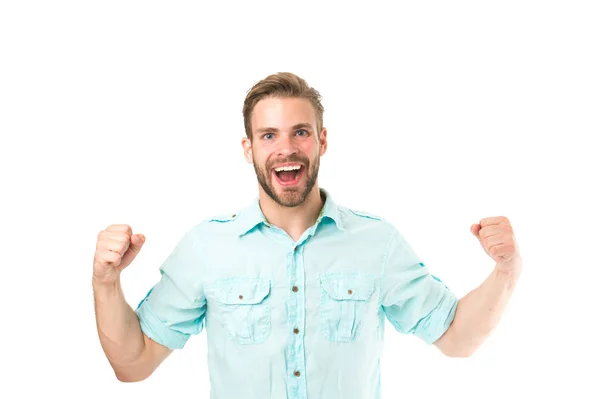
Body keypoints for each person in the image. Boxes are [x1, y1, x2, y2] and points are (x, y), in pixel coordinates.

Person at [92, 72, 523, 398]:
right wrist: (105, 282)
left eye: (300, 132)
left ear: (322, 141)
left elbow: (456, 338)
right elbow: (133, 365)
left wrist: (506, 270)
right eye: (268, 135)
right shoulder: (207, 247)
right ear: (249, 150)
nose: (287, 148)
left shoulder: (377, 244)